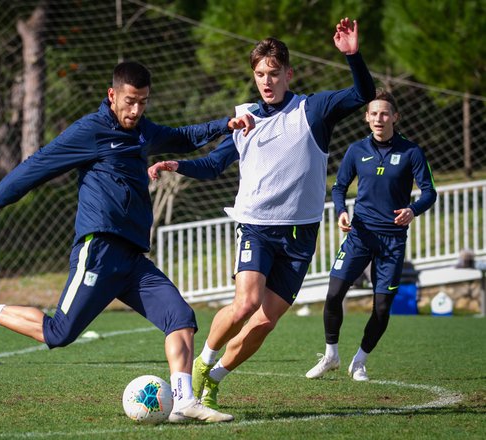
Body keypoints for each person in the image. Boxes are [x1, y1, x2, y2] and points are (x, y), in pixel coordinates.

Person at [0, 61, 254, 423]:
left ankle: (183, 401)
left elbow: (183, 136)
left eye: (143, 102)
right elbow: (36, 167)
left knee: (180, 317)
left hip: (132, 257)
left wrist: (225, 124)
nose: (136, 110)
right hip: (98, 249)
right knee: (59, 333)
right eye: (129, 101)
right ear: (112, 95)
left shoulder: (143, 131)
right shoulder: (91, 130)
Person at [148, 18, 375, 409]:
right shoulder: (244, 119)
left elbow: (362, 94)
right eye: (259, 74)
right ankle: (203, 361)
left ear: (289, 73)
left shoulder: (313, 110)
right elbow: (213, 165)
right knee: (245, 303)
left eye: (273, 73)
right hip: (255, 226)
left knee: (266, 321)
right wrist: (175, 164)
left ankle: (215, 379)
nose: (266, 81)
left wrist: (353, 56)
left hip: (300, 234)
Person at [306, 89, 436, 381]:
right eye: (374, 113)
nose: (379, 118)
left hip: (392, 240)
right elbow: (339, 187)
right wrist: (341, 211)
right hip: (359, 235)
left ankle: (360, 361)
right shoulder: (356, 150)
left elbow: (430, 193)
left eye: (385, 113)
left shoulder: (411, 151)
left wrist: (413, 210)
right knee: (334, 294)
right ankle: (331, 355)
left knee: (381, 307)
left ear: (395, 117)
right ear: (366, 118)